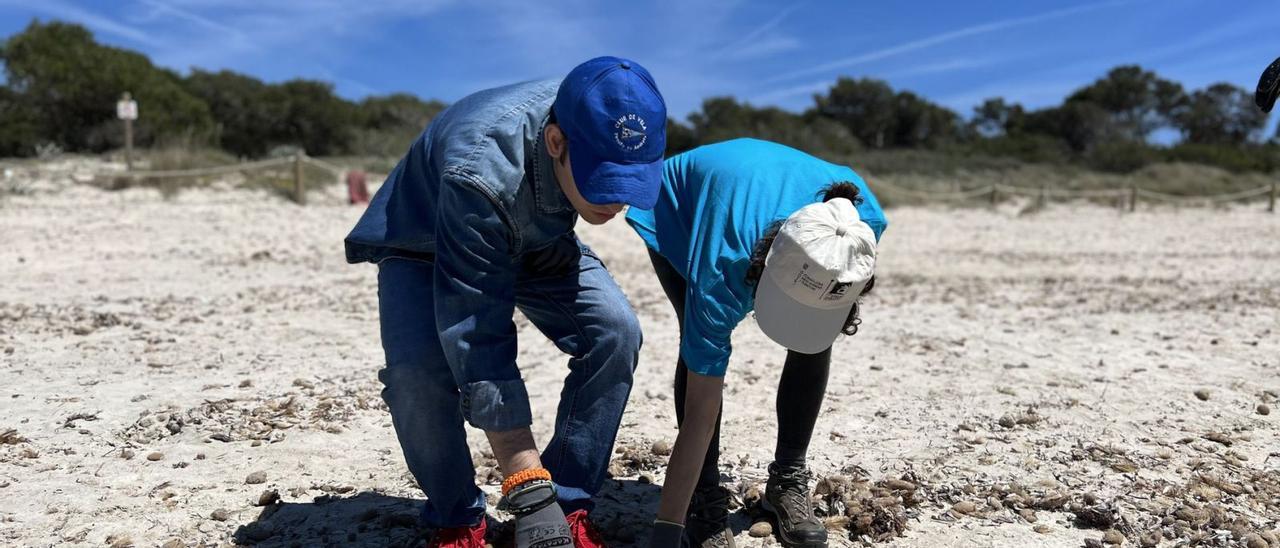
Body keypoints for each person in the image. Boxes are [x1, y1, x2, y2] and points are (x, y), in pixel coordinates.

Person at [344, 57, 667, 548]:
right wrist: (524, 483)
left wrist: (546, 503)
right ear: (557, 143)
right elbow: (478, 336)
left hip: (535, 237)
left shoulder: (613, 110)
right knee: (417, 375)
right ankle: (457, 519)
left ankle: (567, 502)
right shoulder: (481, 169)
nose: (617, 202)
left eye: (629, 182)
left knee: (615, 331)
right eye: (603, 181)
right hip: (424, 241)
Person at [627, 139, 887, 548]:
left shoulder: (861, 226)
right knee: (700, 351)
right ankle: (703, 494)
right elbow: (701, 406)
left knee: (814, 342)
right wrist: (667, 529)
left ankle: (787, 480)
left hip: (759, 192)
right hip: (679, 204)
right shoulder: (720, 267)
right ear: (762, 269)